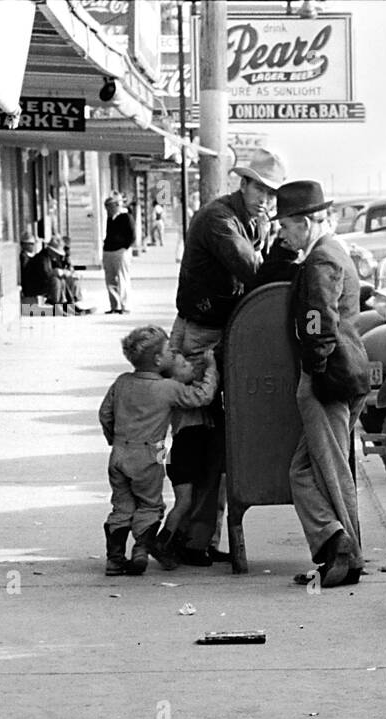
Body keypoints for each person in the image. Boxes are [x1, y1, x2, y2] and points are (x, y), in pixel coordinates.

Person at [169, 147, 288, 566]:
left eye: (273, 194)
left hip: (222, 334)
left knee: (222, 438)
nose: (266, 200)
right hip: (201, 336)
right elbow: (253, 270)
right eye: (261, 189)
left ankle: (199, 537)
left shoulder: (252, 222)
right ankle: (186, 536)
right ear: (244, 183)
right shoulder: (219, 220)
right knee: (200, 438)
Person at [276, 180, 371, 588]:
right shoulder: (335, 252)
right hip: (344, 372)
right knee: (307, 470)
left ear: (303, 223)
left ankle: (344, 552)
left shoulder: (319, 261)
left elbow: (318, 319)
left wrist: (314, 365)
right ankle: (336, 543)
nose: (281, 235)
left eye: (284, 227)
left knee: (329, 471)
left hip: (327, 376)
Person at [98, 326, 218, 576]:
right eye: (168, 351)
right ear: (157, 360)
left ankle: (114, 558)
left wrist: (114, 439)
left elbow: (105, 414)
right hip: (151, 453)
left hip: (119, 453)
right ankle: (140, 551)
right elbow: (202, 397)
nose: (172, 353)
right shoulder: (168, 388)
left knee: (121, 506)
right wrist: (211, 369)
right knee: (150, 505)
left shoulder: (121, 382)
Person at [153, 353, 211, 570]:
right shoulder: (181, 393)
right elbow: (205, 394)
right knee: (184, 503)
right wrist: (211, 368)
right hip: (184, 455)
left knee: (188, 503)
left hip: (181, 455)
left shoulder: (178, 390)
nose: (190, 365)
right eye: (184, 365)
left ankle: (173, 542)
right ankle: (161, 541)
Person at [22, 236, 92, 315]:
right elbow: (46, 274)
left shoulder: (49, 257)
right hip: (33, 287)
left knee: (62, 281)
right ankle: (56, 305)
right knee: (56, 281)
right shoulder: (42, 258)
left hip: (40, 284)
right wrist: (56, 272)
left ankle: (70, 305)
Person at [102, 194, 136, 314]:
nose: (107, 210)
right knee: (110, 279)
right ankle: (114, 305)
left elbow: (132, 236)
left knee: (122, 278)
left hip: (120, 251)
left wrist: (125, 247)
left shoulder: (126, 217)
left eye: (109, 207)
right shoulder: (110, 219)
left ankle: (125, 305)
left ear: (116, 206)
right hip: (109, 250)